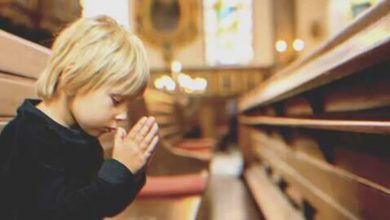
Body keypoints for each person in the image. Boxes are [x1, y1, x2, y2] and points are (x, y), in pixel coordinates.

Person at [0, 15, 159, 219]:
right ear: (73, 79)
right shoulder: (30, 136)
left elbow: (101, 205)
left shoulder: (79, 135)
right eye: (117, 101)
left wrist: (131, 172)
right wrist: (118, 170)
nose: (122, 115)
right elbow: (62, 213)